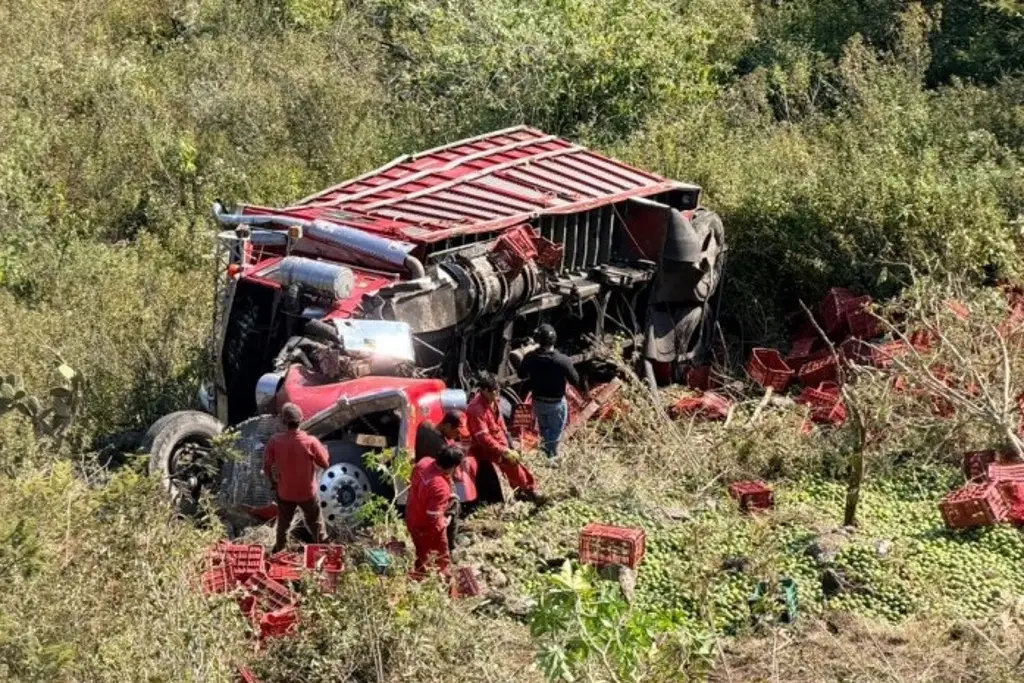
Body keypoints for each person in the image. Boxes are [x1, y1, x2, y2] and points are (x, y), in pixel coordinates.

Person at [466, 373, 543, 503]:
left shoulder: (494, 400)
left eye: (498, 391)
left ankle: (520, 491)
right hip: (485, 448)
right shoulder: (476, 410)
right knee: (511, 463)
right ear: (484, 390)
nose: (496, 395)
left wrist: (509, 442)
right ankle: (530, 491)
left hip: (499, 440)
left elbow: (501, 423)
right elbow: (483, 438)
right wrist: (504, 451)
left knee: (517, 460)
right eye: (494, 392)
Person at [263, 403, 329, 554]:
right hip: (307, 493)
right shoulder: (311, 442)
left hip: (285, 492)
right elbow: (325, 463)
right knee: (315, 521)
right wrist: (324, 451)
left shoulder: (275, 441)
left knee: (283, 523)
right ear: (302, 420)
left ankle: (279, 549)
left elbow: (267, 466)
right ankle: (324, 549)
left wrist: (274, 483)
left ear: (284, 422)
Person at [518, 324, 582, 461]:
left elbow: (521, 374)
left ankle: (546, 451)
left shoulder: (530, 357)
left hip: (538, 401)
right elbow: (575, 379)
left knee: (544, 429)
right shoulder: (562, 360)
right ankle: (551, 457)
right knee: (555, 432)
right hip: (556, 403)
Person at [406, 444, 463, 579]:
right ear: (453, 467)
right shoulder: (440, 487)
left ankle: (420, 575)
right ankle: (442, 584)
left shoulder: (424, 462)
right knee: (440, 559)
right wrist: (447, 520)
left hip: (412, 513)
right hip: (424, 525)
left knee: (421, 553)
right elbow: (434, 520)